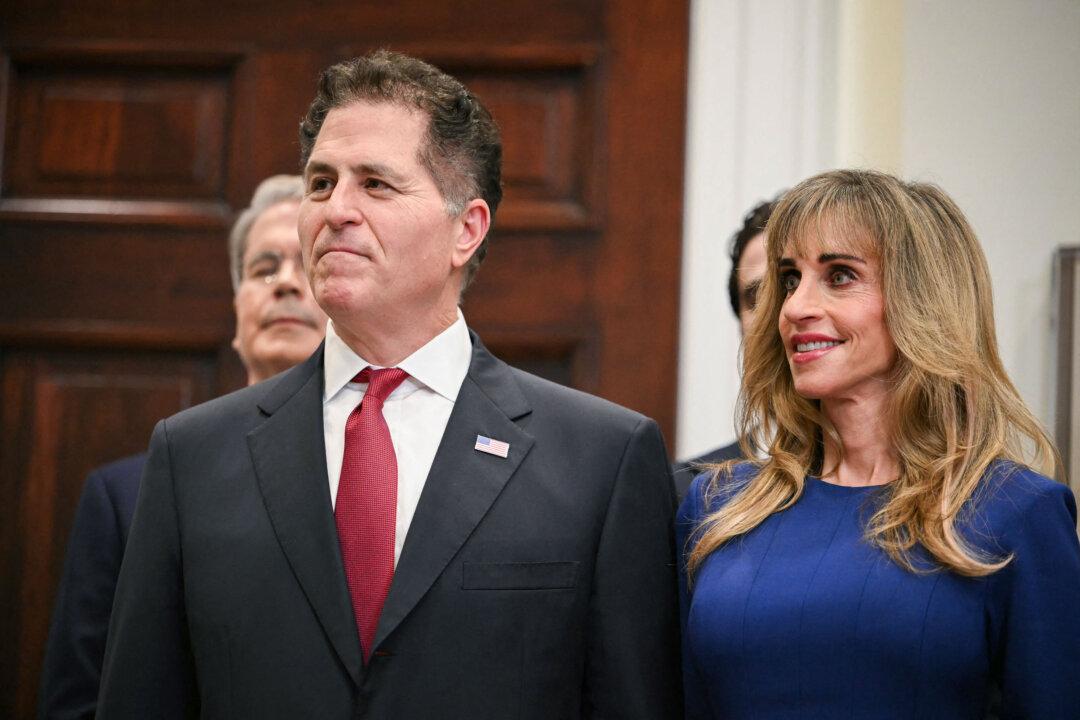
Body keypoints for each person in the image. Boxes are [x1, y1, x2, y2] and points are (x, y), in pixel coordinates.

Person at [97, 50, 680, 719]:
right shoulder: (192, 456)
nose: (334, 209)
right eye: (320, 183)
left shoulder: (601, 460)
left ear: (467, 229)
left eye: (375, 184)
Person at [678, 169, 1080, 718]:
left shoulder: (1016, 513)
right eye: (791, 278)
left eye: (840, 275)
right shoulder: (718, 507)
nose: (795, 307)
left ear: (924, 302)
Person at [37, 175, 327, 720]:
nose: (285, 283)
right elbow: (79, 702)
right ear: (237, 313)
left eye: (308, 268)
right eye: (263, 268)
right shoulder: (125, 494)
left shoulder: (382, 479)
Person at [673, 198, 776, 497]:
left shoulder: (909, 480)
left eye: (789, 284)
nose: (784, 313)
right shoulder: (687, 491)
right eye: (757, 296)